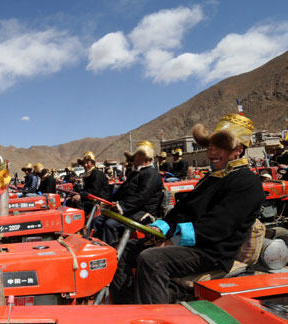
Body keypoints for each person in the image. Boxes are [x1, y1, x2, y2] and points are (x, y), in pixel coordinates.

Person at [111, 114, 265, 304]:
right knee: (125, 249)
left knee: (152, 260)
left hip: (212, 251)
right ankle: (122, 308)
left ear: (238, 150)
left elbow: (217, 227)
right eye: (210, 146)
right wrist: (161, 228)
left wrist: (173, 241)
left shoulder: (246, 182)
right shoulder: (212, 178)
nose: (211, 153)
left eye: (219, 147)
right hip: (194, 245)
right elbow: (181, 210)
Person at [91, 142, 163, 246]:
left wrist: (121, 206)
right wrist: (110, 202)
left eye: (138, 158)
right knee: (97, 220)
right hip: (129, 210)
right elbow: (122, 192)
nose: (134, 161)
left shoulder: (152, 174)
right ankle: (95, 247)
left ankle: (112, 252)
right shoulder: (135, 173)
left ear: (147, 160)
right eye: (135, 158)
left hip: (141, 213)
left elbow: (141, 197)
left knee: (110, 224)